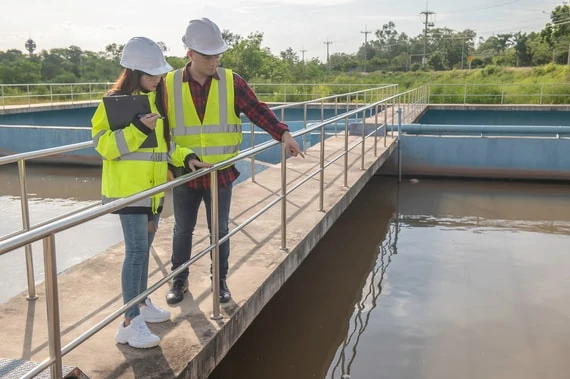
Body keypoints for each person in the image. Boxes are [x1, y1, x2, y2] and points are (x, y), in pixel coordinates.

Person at [164, 17, 304, 305]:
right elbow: (162, 133)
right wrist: (176, 159)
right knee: (182, 230)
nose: (214, 60)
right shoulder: (168, 84)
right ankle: (179, 281)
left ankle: (220, 282)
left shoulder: (232, 82)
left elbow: (257, 110)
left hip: (220, 173)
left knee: (221, 231)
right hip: (185, 172)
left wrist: (284, 134)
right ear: (190, 53)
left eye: (218, 54)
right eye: (207, 55)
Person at [91, 37, 199, 349]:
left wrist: (187, 157)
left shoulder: (156, 102)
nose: (157, 79)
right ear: (134, 71)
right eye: (151, 74)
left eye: (159, 74)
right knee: (136, 252)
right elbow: (104, 146)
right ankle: (129, 322)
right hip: (128, 192)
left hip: (153, 192)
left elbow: (165, 148)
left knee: (144, 251)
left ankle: (140, 304)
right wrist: (138, 129)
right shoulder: (111, 103)